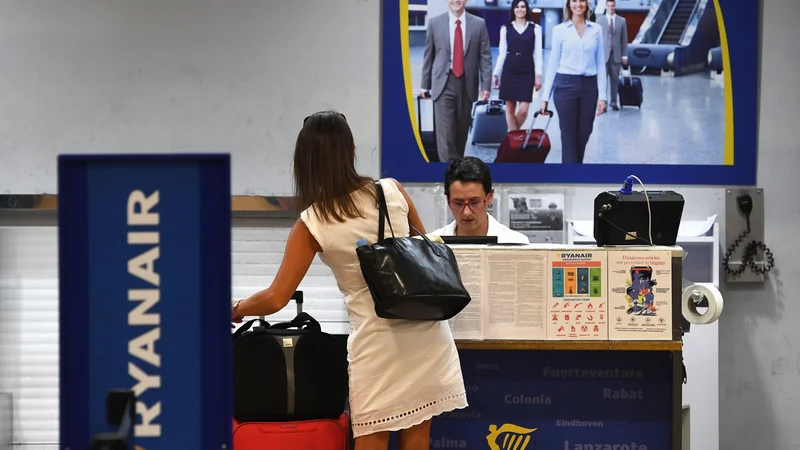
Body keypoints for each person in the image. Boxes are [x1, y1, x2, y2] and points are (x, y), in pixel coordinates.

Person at [230, 111, 468, 450]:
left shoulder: (313, 221)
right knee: (418, 440)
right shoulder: (391, 191)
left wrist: (238, 308)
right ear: (351, 149)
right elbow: (424, 250)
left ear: (305, 161)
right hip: (426, 334)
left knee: (370, 440)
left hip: (378, 342)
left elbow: (275, 298)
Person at [420, 0, 493, 163]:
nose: (456, 0)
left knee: (460, 132)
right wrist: (425, 85)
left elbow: (485, 56)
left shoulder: (479, 24)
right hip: (443, 84)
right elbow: (428, 56)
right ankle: (448, 173)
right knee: (446, 134)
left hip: (467, 85)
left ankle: (457, 168)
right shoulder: (435, 23)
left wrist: (486, 85)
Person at [540, 0, 608, 164]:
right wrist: (545, 97)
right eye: (574, 1)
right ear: (569, 5)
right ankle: (571, 174)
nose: (579, 4)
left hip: (589, 86)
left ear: (587, 4)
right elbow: (553, 64)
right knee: (568, 134)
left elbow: (600, 63)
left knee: (584, 132)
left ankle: (574, 170)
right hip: (565, 86)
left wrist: (603, 96)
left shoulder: (596, 29)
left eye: (582, 1)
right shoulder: (560, 30)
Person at [432, 157, 530, 244]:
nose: (466, 212)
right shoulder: (432, 246)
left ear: (490, 197)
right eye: (458, 204)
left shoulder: (517, 243)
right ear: (448, 200)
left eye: (474, 203)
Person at [492, 0, 544, 132]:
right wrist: (496, 73)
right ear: (513, 10)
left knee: (523, 109)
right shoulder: (505, 28)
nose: (520, 9)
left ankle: (511, 136)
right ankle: (513, 141)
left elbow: (538, 54)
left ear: (527, 9)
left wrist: (539, 75)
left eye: (522, 7)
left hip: (527, 70)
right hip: (510, 69)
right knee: (509, 108)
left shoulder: (535, 28)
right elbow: (502, 53)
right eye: (517, 7)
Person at [596, 0, 628, 110]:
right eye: (609, 5)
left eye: (612, 5)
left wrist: (625, 56)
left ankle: (614, 102)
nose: (610, 7)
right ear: (606, 6)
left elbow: (624, 39)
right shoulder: (599, 21)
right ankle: (602, 103)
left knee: (614, 80)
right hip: (603, 56)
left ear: (615, 6)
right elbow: (597, 40)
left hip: (616, 56)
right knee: (602, 81)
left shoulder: (622, 21)